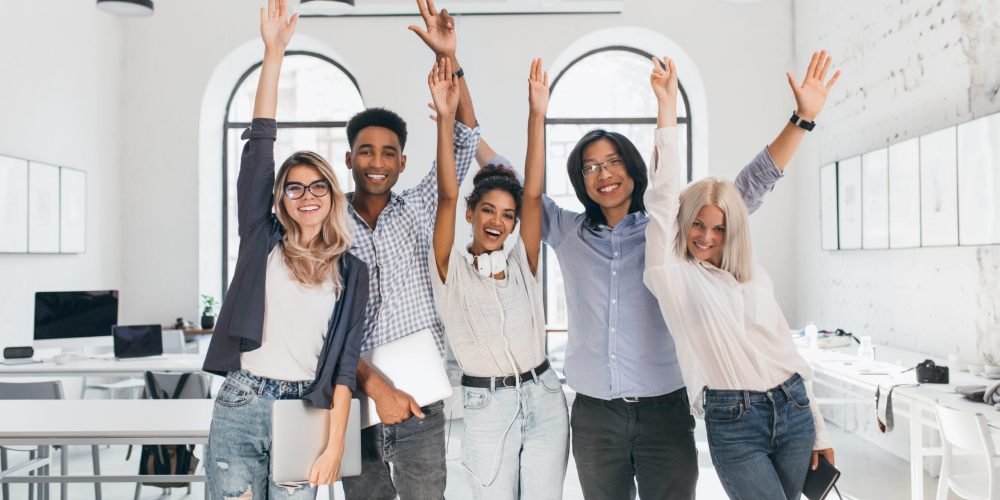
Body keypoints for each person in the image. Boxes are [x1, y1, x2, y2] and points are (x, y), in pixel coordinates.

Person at [532, 51, 841, 499]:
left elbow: (746, 186)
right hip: (610, 413)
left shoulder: (697, 247)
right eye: (591, 166)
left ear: (634, 169)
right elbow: (518, 188)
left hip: (710, 406)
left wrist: (802, 120)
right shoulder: (614, 238)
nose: (604, 173)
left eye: (614, 160)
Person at [642, 54, 839, 500]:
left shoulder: (753, 278)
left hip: (793, 408)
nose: (706, 237)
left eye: (718, 227)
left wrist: (821, 432)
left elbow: (786, 355)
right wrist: (667, 106)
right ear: (682, 222)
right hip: (734, 418)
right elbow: (663, 194)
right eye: (696, 224)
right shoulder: (672, 273)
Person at [201, 0, 369, 497]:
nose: (307, 195)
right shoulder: (261, 239)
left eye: (318, 185)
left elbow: (344, 365)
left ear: (332, 195)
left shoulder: (351, 271)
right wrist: (273, 52)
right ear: (280, 198)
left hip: (305, 409)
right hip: (243, 403)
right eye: (294, 187)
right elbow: (259, 146)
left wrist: (337, 443)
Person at [340, 0, 481, 497]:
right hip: (351, 398)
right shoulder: (327, 221)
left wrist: (452, 61)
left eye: (388, 153)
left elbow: (465, 143)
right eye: (366, 150)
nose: (376, 162)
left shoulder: (419, 209)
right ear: (349, 158)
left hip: (421, 399)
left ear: (402, 162)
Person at [429, 57, 568, 499]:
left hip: (545, 396)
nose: (498, 221)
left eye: (507, 216)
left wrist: (537, 114)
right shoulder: (450, 270)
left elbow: (532, 193)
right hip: (487, 406)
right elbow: (448, 194)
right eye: (487, 210)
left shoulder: (524, 262)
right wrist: (446, 122)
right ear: (471, 215)